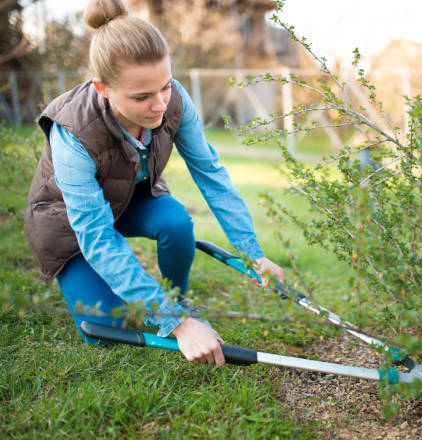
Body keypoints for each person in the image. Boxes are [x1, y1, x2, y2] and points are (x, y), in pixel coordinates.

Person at [24, 0, 283, 367]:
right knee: (105, 329)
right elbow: (96, 236)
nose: (159, 104)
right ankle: (175, 316)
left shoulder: (174, 98)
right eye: (141, 96)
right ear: (103, 88)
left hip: (128, 199)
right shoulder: (72, 133)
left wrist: (252, 252)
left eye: (163, 87)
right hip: (67, 224)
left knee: (176, 222)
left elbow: (211, 175)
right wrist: (178, 327)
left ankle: (175, 301)